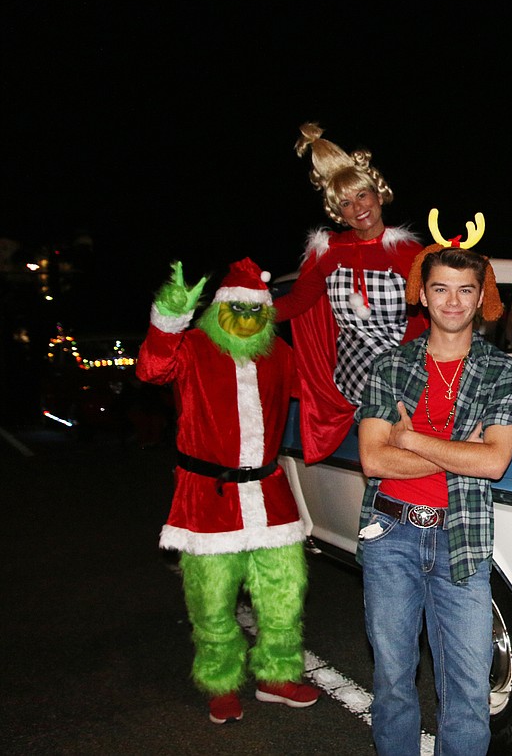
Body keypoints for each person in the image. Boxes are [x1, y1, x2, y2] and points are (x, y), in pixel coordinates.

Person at [355, 245, 512, 755]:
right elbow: (373, 461)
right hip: (390, 536)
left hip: (462, 537)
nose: (453, 301)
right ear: (423, 295)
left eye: (465, 290)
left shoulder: (502, 371)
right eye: (441, 288)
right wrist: (460, 450)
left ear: (481, 300)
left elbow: (493, 463)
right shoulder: (390, 366)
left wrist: (408, 439)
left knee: (469, 688)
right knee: (392, 680)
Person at [136, 259, 319, 724]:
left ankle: (277, 675)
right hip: (207, 500)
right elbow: (151, 370)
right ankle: (220, 681)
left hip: (269, 495)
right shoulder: (194, 347)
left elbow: (319, 392)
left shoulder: (279, 353)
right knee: (212, 600)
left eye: (256, 311)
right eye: (235, 308)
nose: (246, 317)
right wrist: (168, 317)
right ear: (216, 310)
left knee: (285, 593)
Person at [274, 122, 427, 463]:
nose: (358, 208)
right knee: (384, 461)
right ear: (336, 212)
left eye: (362, 195)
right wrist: (251, 312)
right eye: (345, 203)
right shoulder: (327, 251)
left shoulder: (407, 251)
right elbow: (298, 302)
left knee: (398, 459)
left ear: (377, 192)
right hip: (354, 373)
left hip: (404, 369)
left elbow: (429, 314)